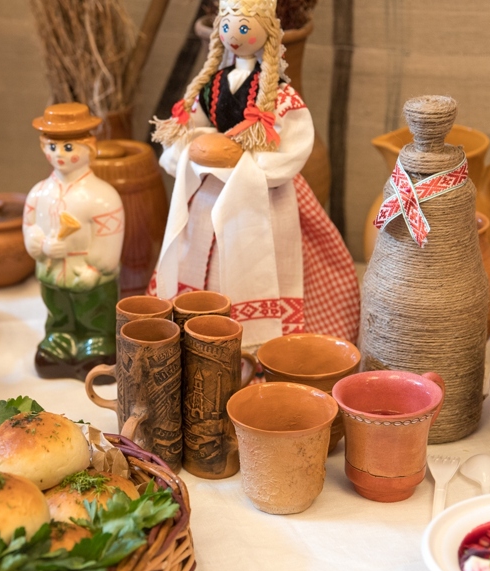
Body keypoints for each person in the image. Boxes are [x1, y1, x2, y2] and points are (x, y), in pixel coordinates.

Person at [149, 0, 360, 351]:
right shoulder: (212, 85)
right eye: (227, 27)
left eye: (244, 28)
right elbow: (193, 124)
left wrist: (250, 162)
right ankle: (201, 331)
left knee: (268, 250)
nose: (233, 36)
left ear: (268, 34)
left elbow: (293, 138)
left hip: (264, 192)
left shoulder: (277, 92)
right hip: (210, 186)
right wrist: (196, 144)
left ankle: (265, 346)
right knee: (201, 251)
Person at [24, 104, 126, 379]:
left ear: (89, 148)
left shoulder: (103, 196)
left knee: (93, 309)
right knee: (57, 308)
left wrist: (97, 268)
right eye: (52, 147)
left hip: (88, 274)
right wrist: (41, 245)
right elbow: (30, 227)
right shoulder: (38, 194)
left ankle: (97, 341)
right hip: (53, 272)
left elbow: (109, 239)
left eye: (68, 148)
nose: (59, 154)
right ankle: (60, 338)